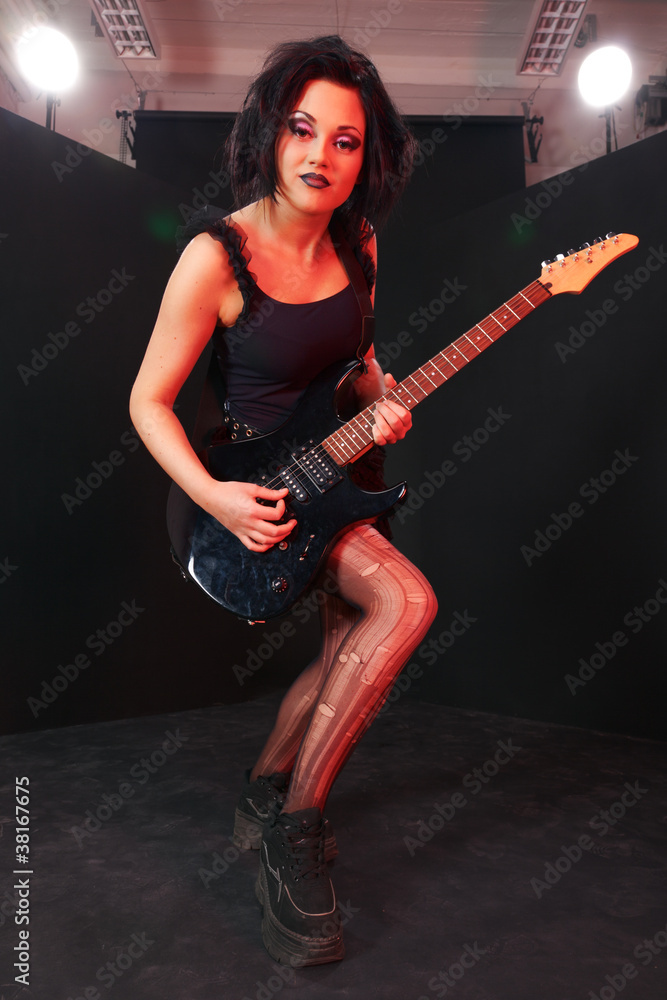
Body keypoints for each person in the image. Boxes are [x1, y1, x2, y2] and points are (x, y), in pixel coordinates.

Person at [129, 35, 438, 967]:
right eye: (302, 130)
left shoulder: (361, 243)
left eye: (344, 141)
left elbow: (361, 364)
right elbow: (147, 403)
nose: (318, 156)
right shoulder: (215, 257)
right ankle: (295, 831)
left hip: (340, 474)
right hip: (245, 489)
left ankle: (265, 791)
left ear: (367, 156)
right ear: (269, 132)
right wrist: (218, 498)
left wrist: (383, 401)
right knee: (405, 603)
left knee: (348, 643)